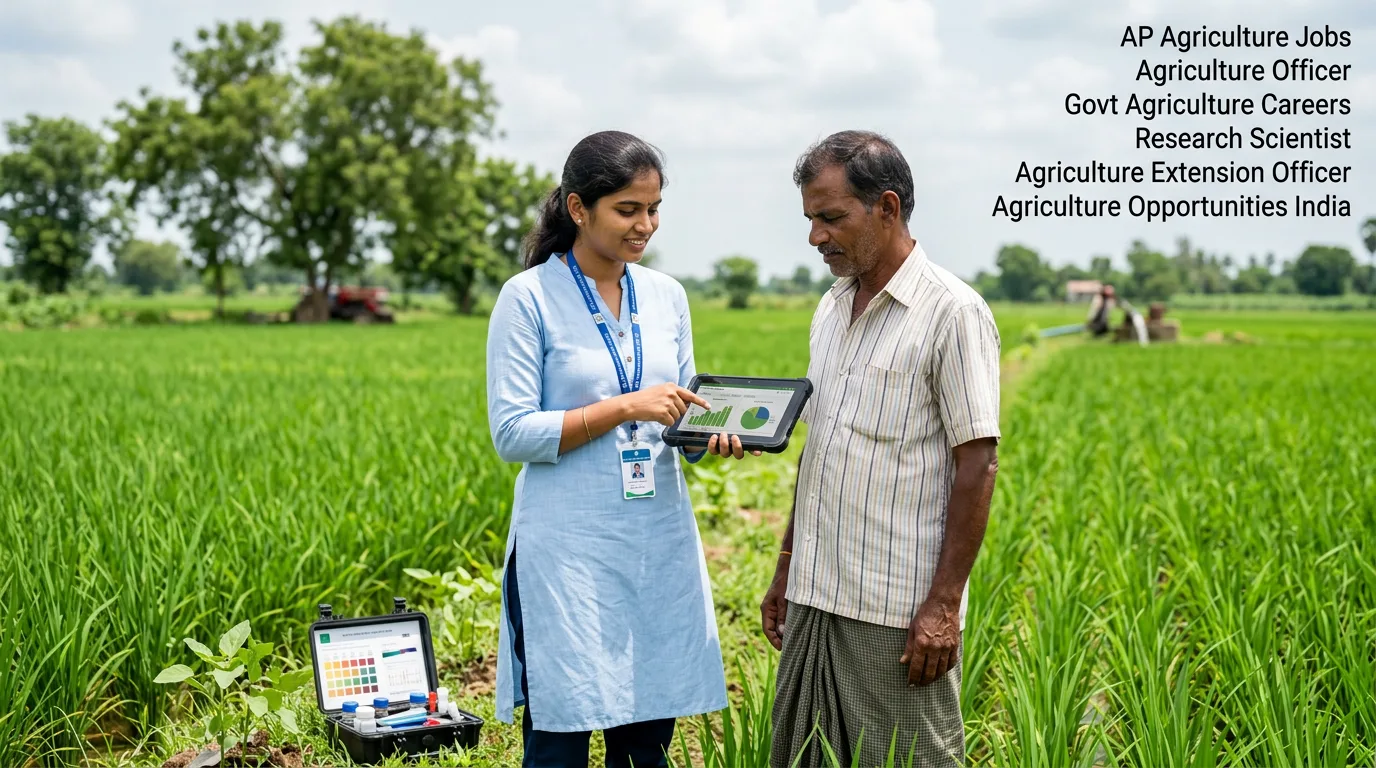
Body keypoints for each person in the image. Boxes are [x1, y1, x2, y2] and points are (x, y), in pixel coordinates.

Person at [486, 130, 758, 768]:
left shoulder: (668, 297)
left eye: (654, 208)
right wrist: (625, 407)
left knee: (645, 744)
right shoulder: (527, 299)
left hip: (654, 544)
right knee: (560, 733)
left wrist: (706, 437)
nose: (646, 226)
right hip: (567, 552)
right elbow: (513, 432)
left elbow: (678, 416)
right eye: (628, 210)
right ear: (579, 209)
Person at [760, 131, 1001, 768]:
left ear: (887, 208)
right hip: (816, 593)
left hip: (893, 609)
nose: (816, 236)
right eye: (811, 219)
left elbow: (977, 466)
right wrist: (787, 565)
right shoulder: (831, 307)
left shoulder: (953, 313)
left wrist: (944, 606)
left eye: (831, 217)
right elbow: (822, 450)